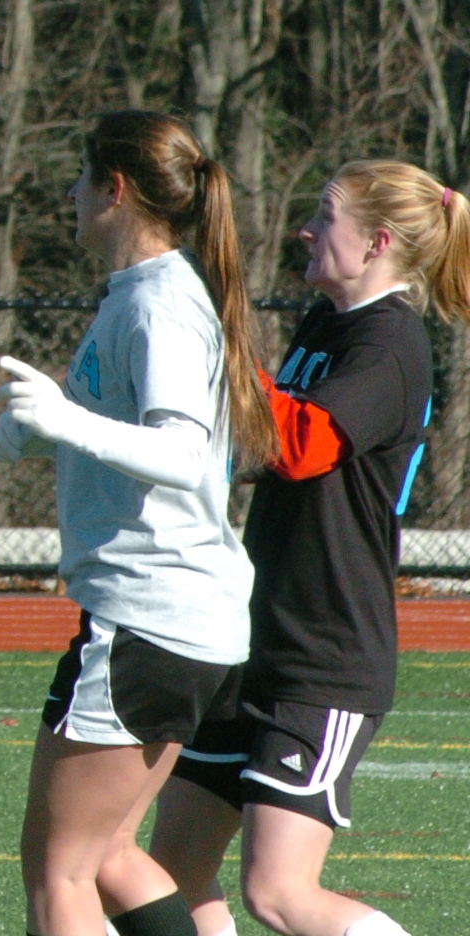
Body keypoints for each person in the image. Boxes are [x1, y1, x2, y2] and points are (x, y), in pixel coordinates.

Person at [147, 162, 456, 936]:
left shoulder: (389, 341)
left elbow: (301, 444)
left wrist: (214, 350)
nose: (305, 230)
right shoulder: (328, 322)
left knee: (279, 893)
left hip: (324, 659)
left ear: (377, 242)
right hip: (252, 642)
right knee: (172, 870)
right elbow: (260, 444)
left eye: (325, 216)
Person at [0, 111, 270, 936]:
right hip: (176, 619)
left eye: (81, 179)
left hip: (148, 617)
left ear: (114, 190)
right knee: (107, 857)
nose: (71, 195)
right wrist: (44, 428)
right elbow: (128, 435)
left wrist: (66, 420)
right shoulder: (145, 294)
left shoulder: (160, 303)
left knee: (60, 875)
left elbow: (180, 453)